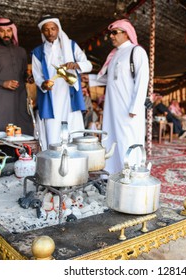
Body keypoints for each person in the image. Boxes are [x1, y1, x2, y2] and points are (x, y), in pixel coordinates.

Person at [88, 19, 149, 175]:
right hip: (112, 107)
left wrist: (135, 107)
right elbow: (109, 78)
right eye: (111, 33)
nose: (111, 37)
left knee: (127, 140)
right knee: (111, 139)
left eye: (115, 33)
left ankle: (130, 176)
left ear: (126, 33)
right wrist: (89, 79)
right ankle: (111, 174)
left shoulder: (136, 51)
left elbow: (142, 81)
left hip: (128, 108)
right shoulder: (115, 54)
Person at [32, 15, 92, 150]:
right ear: (42, 32)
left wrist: (76, 65)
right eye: (46, 30)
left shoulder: (71, 45)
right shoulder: (38, 52)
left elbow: (88, 65)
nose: (50, 32)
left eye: (53, 28)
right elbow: (37, 76)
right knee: (53, 134)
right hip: (50, 98)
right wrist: (43, 84)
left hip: (69, 96)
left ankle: (74, 166)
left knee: (73, 133)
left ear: (58, 29)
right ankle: (53, 165)